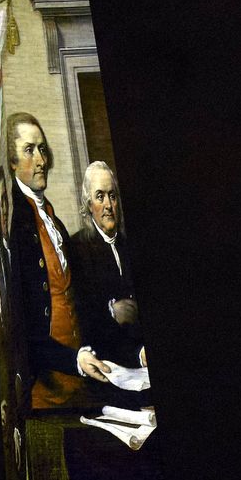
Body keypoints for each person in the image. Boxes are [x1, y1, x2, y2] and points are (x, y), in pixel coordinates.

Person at [1, 112, 111, 411]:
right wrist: (73, 360)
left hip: (80, 376)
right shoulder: (16, 226)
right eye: (29, 150)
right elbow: (23, 325)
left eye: (42, 149)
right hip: (45, 387)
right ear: (12, 162)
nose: (40, 160)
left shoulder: (53, 221)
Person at [66, 161, 146, 379]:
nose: (108, 205)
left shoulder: (127, 244)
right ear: (88, 205)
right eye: (100, 197)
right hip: (106, 365)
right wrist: (111, 312)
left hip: (139, 360)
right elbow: (84, 318)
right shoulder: (77, 248)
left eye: (112, 196)